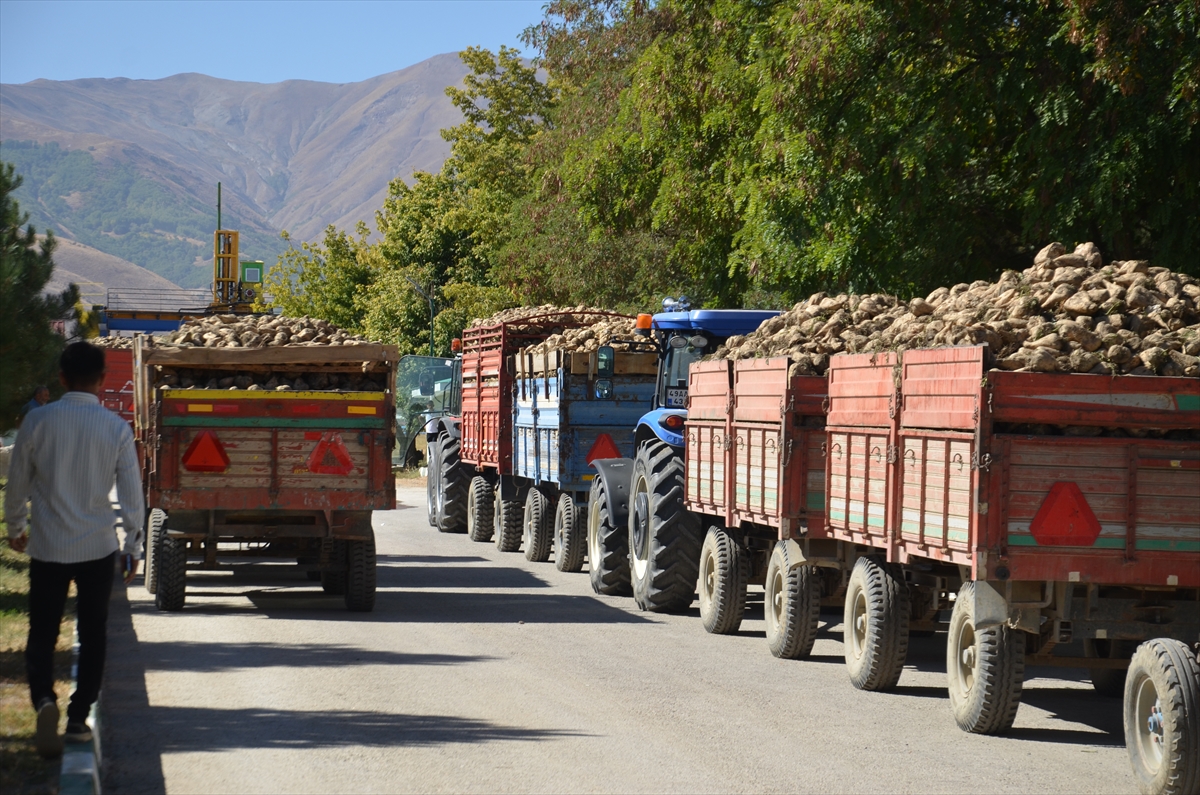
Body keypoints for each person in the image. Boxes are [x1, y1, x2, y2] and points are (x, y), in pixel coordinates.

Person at [4, 342, 144, 758]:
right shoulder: (116, 428)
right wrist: (133, 544)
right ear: (103, 381)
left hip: (48, 545)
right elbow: (132, 496)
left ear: (61, 379)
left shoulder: (38, 422)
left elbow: (17, 484)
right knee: (94, 633)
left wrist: (16, 527)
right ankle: (79, 716)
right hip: (98, 548)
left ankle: (44, 701)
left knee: (42, 632)